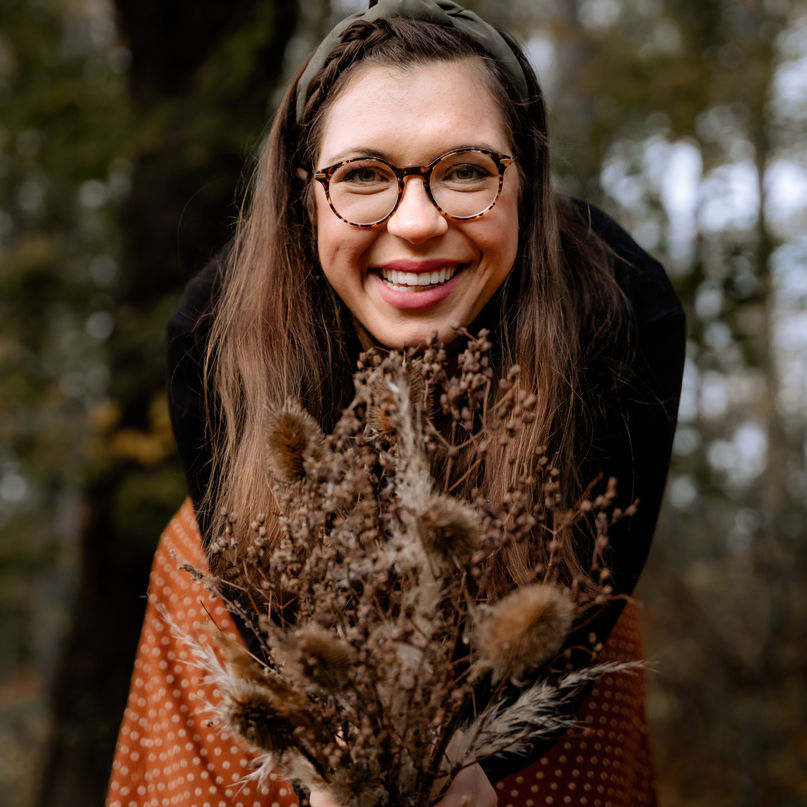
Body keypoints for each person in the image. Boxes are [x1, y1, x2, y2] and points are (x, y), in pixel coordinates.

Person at [106, 1, 685, 806]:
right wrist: (343, 765)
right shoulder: (214, 335)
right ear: (304, 196)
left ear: (526, 179)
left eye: (466, 170)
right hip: (278, 634)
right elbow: (261, 607)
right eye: (363, 175)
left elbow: (590, 590)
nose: (416, 224)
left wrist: (468, 764)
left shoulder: (620, 315)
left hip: (539, 644)